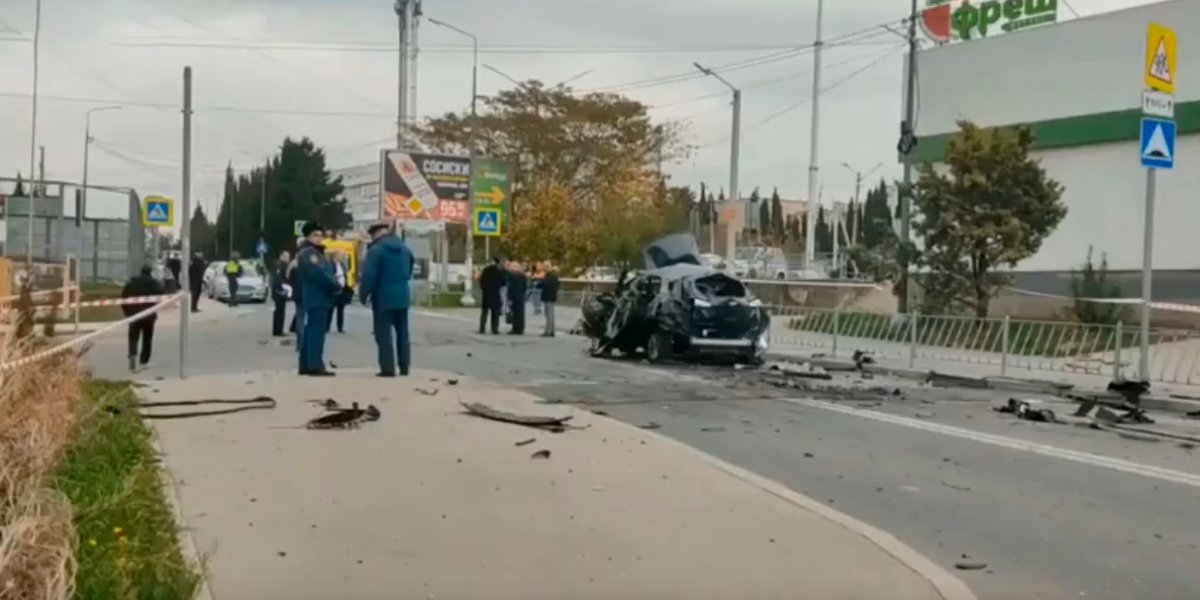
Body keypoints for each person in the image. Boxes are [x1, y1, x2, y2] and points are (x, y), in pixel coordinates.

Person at [360, 222, 415, 377]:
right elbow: (410, 267)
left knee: (383, 334)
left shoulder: (376, 250)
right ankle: (404, 367)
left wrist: (364, 295)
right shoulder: (405, 249)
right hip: (403, 296)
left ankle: (388, 368)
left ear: (376, 234)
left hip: (383, 297)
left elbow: (369, 276)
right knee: (403, 333)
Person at [295, 223, 339, 376]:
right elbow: (319, 274)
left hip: (318, 297)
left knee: (311, 331)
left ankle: (306, 364)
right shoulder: (309, 253)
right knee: (316, 332)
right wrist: (335, 285)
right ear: (307, 237)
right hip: (317, 297)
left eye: (320, 235)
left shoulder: (316, 252)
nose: (319, 238)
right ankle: (314, 365)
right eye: (315, 235)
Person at [121, 265, 164, 371]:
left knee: (133, 336)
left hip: (134, 314)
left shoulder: (132, 282)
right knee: (147, 338)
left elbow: (124, 298)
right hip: (149, 315)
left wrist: (127, 313)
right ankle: (144, 360)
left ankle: (132, 355)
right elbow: (160, 297)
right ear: (150, 272)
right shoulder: (155, 283)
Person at [477, 256, 506, 335]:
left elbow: (481, 281)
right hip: (495, 293)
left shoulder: (486, 270)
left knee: (484, 312)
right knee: (495, 312)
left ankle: (482, 328)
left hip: (486, 293)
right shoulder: (499, 271)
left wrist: (484, 288)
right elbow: (503, 282)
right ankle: (495, 329)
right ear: (497, 263)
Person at [326, 249, 352, 334]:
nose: (343, 257)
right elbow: (330, 275)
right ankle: (327, 326)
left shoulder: (342, 265)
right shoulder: (330, 264)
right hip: (334, 289)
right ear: (336, 256)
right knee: (330, 309)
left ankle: (340, 327)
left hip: (342, 289)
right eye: (342, 255)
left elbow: (345, 275)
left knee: (341, 309)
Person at [270, 250, 291, 337]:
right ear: (281, 256)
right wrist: (282, 289)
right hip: (279, 291)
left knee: (280, 311)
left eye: (288, 257)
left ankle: (278, 329)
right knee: (280, 311)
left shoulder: (282, 264)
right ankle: (278, 331)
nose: (288, 258)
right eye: (286, 256)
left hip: (280, 290)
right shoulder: (279, 265)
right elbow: (278, 279)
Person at [506, 261, 528, 335]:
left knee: (515, 313)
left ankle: (515, 328)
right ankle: (520, 329)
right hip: (521, 296)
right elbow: (525, 286)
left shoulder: (512, 276)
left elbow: (510, 287)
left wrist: (509, 297)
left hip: (514, 296)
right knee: (520, 313)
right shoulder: (523, 276)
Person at [541, 264, 560, 337]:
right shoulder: (555, 278)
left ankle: (548, 330)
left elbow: (543, 284)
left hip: (547, 297)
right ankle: (551, 330)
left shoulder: (548, 277)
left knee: (549, 315)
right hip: (552, 297)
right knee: (551, 314)